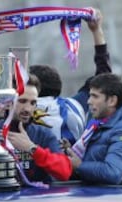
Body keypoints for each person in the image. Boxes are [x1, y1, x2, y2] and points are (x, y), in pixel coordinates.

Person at [30, 8, 111, 146]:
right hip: (70, 166)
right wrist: (96, 31)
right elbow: (104, 76)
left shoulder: (19, 110)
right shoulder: (72, 107)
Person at [0, 75, 72, 183]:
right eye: (22, 101)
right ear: (8, 103)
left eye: (33, 103)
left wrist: (31, 148)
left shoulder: (43, 134)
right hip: (0, 197)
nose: (28, 109)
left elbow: (65, 172)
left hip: (37, 198)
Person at [66, 73, 122, 184]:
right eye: (90, 95)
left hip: (108, 198)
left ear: (112, 101)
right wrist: (70, 149)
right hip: (88, 193)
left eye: (95, 96)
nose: (89, 101)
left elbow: (113, 172)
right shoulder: (97, 118)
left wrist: (79, 165)